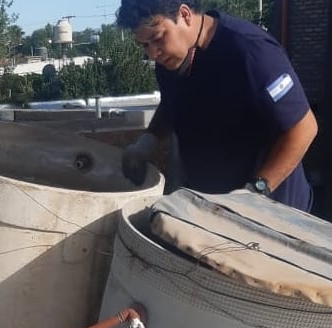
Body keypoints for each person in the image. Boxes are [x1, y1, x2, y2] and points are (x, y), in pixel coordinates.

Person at [118, 0, 318, 212]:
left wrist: (256, 191)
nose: (152, 53)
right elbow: (173, 102)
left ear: (184, 14)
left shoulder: (250, 52)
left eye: (157, 39)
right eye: (144, 45)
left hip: (273, 211)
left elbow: (304, 129)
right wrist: (148, 140)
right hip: (213, 208)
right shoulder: (170, 61)